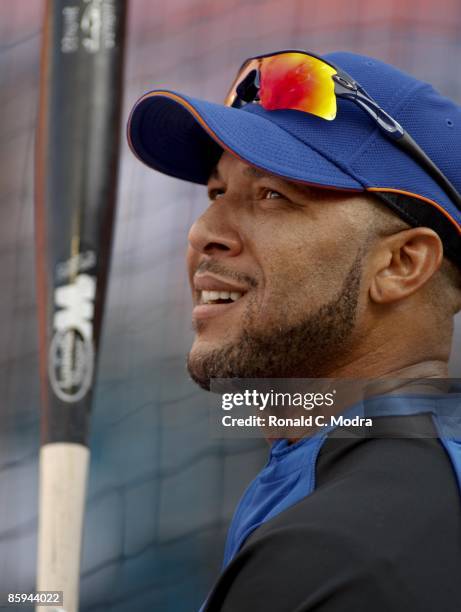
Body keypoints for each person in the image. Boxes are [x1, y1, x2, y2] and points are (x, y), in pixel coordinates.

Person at [127, 51, 461, 611]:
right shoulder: (393, 481)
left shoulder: (333, 554)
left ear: (402, 264)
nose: (203, 232)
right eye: (215, 193)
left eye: (273, 196)